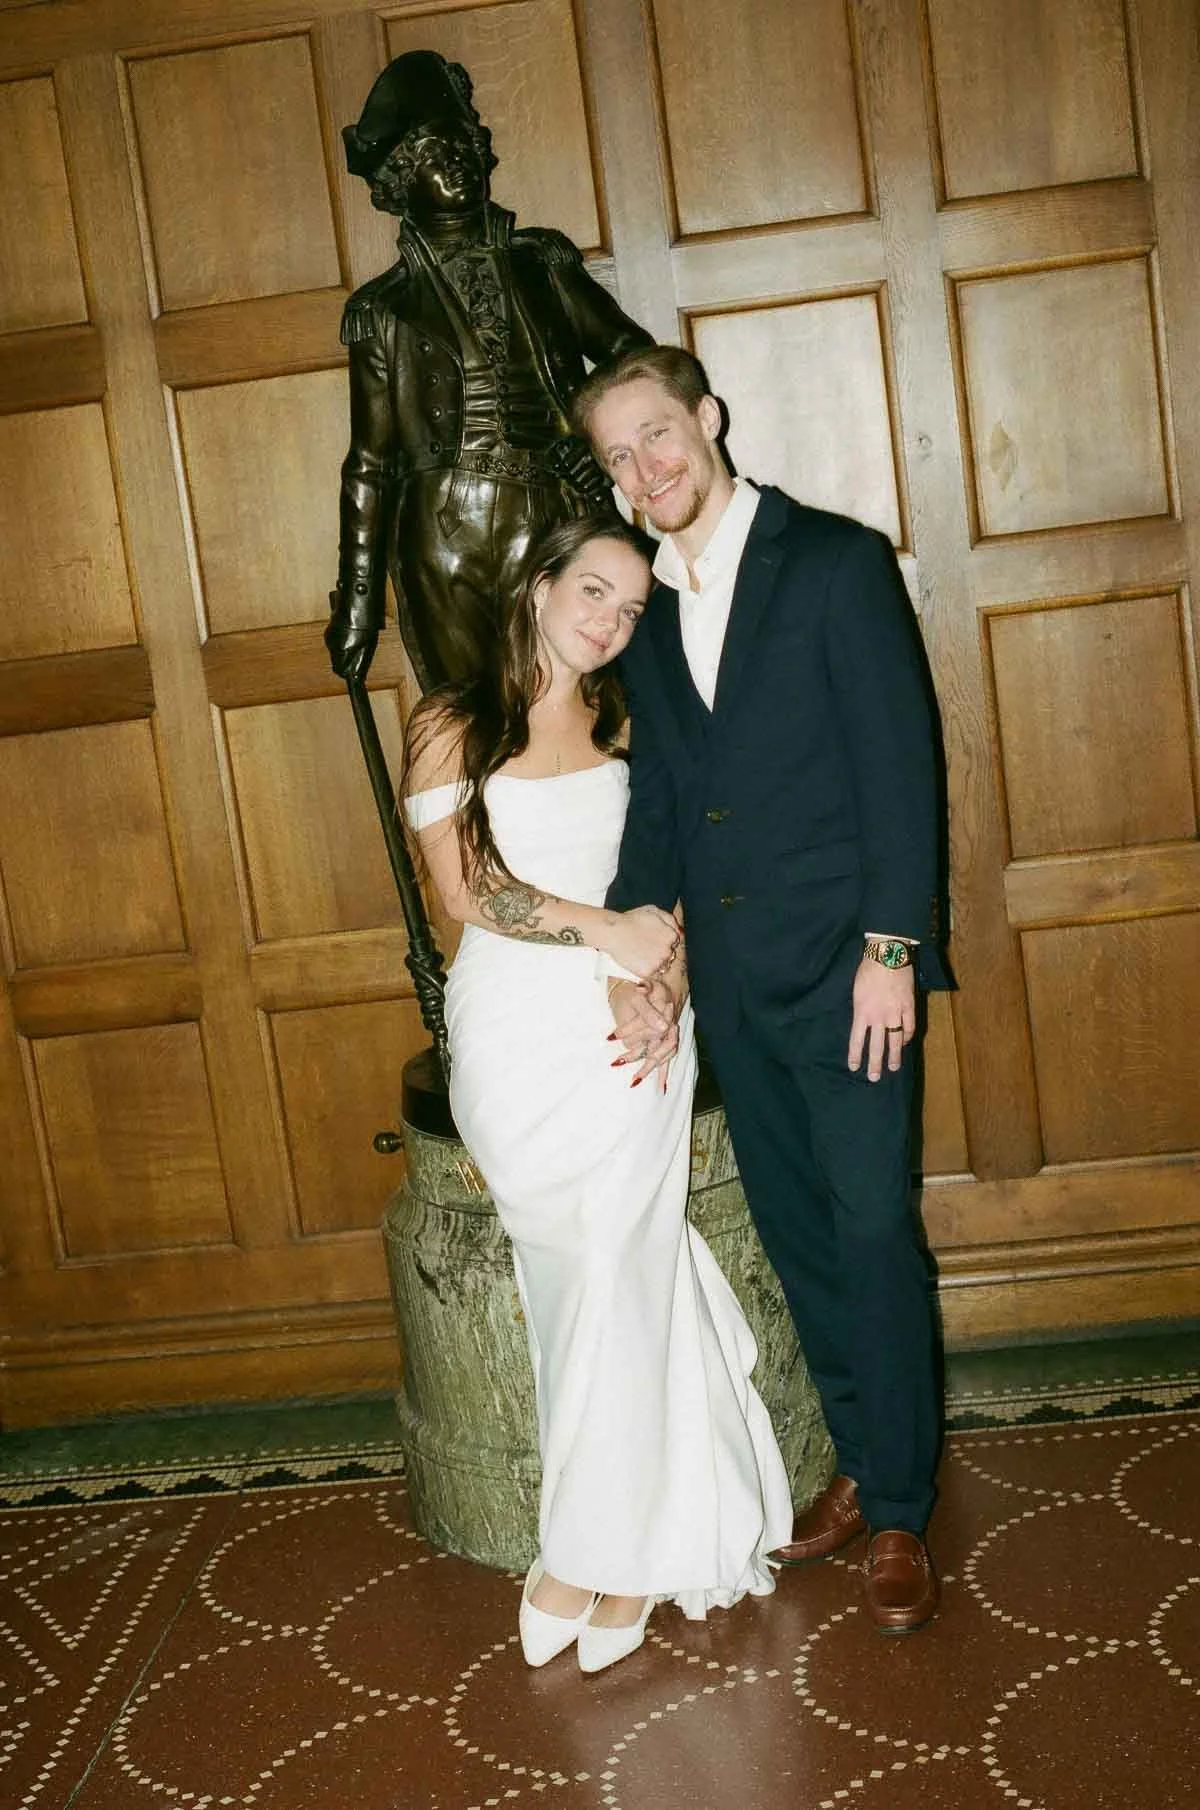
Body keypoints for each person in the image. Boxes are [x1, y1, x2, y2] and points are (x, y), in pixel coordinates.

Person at [571, 345, 950, 1635]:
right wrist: (637, 959)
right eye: (619, 457)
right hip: (736, 987)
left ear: (709, 418)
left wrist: (892, 952)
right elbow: (666, 801)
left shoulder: (836, 563)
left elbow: (901, 766)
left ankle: (899, 1509)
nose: (644, 470)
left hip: (850, 975)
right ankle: (862, 1451)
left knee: (872, 1229)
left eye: (657, 436)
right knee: (799, 1234)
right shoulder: (648, 610)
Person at [401, 513, 792, 1673]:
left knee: (623, 1263)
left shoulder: (633, 719)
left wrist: (664, 984)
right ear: (539, 585)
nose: (611, 623)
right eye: (594, 592)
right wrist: (603, 934)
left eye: (631, 609)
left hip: (636, 1025)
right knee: (581, 1276)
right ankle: (621, 1537)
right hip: (515, 1032)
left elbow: (682, 875)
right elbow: (467, 890)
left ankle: (593, 1554)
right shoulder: (452, 721)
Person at [327, 49, 653, 692]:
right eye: (430, 154)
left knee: (590, 703)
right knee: (471, 717)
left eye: (460, 145)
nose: (454, 161)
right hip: (443, 536)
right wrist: (358, 604)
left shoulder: (542, 263)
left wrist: (595, 444)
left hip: (557, 509)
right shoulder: (380, 310)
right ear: (398, 180)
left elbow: (633, 359)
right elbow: (369, 462)